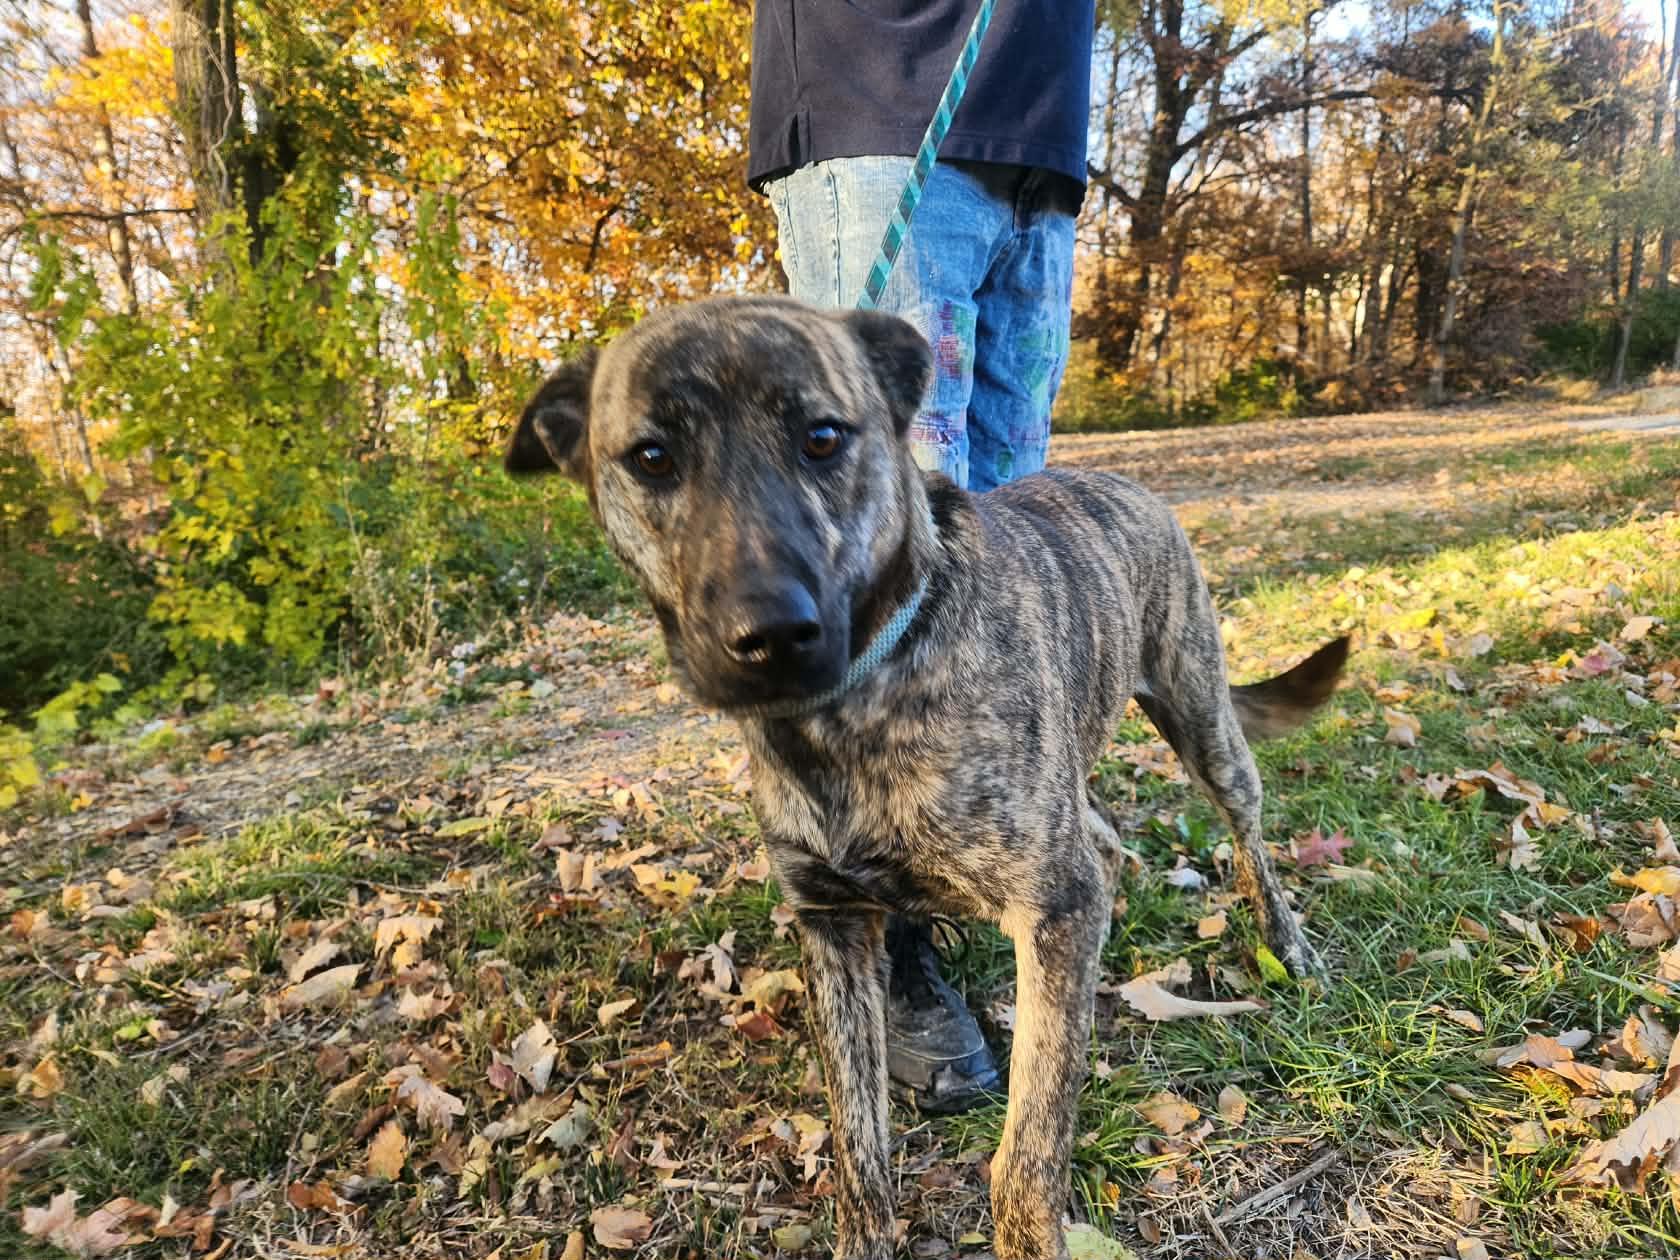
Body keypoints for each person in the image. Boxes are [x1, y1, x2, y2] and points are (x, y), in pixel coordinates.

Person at [747, 1, 1097, 1112]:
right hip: (882, 98)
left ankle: (987, 849)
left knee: (996, 552)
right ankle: (888, 942)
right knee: (875, 549)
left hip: (1038, 133)